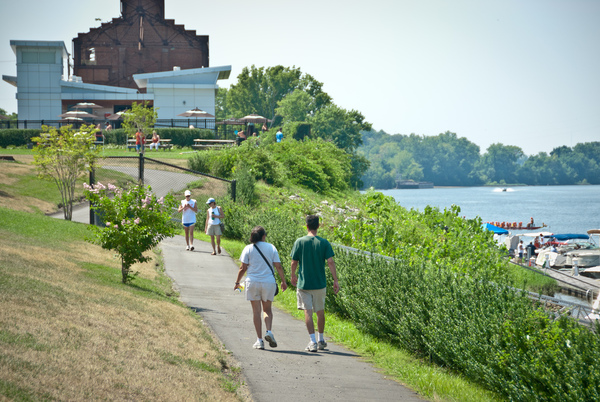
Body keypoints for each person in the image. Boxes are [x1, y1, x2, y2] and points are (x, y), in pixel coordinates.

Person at [291, 215, 339, 352]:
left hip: (304, 284)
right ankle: (321, 339)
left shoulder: (299, 242)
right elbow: (330, 262)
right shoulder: (324, 243)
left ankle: (312, 341)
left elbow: (294, 262)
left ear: (306, 226)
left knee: (308, 311)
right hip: (320, 283)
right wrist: (335, 280)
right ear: (319, 226)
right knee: (320, 311)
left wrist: (293, 275)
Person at [234, 226, 288, 350]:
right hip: (268, 282)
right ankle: (268, 331)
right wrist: (283, 281)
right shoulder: (271, 247)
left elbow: (243, 268)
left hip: (252, 282)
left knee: (256, 312)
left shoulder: (248, 248)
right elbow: (278, 266)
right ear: (264, 236)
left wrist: (237, 283)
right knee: (267, 310)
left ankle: (259, 340)